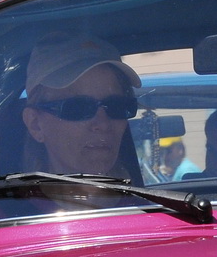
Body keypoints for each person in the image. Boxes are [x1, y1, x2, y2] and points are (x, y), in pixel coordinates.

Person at [20, 32, 142, 177]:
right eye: (78, 107)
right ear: (35, 124)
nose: (103, 124)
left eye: (117, 106)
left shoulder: (152, 200)